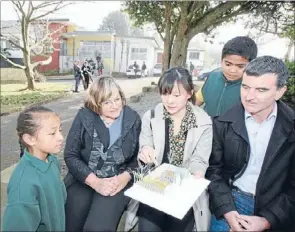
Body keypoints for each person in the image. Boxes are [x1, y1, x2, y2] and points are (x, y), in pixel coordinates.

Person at [206, 56, 295, 231]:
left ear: (280, 91)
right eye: (245, 87)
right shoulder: (223, 122)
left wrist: (267, 220)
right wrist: (227, 210)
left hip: (277, 205)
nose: (249, 96)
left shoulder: (291, 128)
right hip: (232, 199)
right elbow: (215, 171)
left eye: (261, 90)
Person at [126, 66, 213, 232]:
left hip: (184, 187)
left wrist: (197, 172)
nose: (169, 101)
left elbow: (200, 159)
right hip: (156, 185)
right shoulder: (151, 116)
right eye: (165, 94)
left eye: (176, 95)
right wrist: (145, 150)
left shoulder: (203, 122)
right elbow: (145, 143)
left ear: (189, 93)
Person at [64, 76, 142, 231]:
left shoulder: (133, 119)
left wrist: (124, 178)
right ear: (96, 104)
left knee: (97, 227)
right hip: (84, 177)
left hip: (116, 181)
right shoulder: (84, 117)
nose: (114, 106)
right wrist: (95, 182)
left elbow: (138, 160)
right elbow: (71, 155)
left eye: (117, 99)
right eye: (107, 102)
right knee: (72, 222)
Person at [2, 106, 66, 231]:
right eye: (53, 133)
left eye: (60, 130)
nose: (61, 137)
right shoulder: (23, 186)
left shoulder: (52, 161)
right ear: (30, 139)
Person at [195, 36, 258, 117]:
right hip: (207, 127)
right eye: (228, 64)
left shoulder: (253, 88)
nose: (232, 70)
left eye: (240, 66)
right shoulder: (212, 78)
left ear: (252, 65)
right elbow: (196, 102)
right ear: (221, 61)